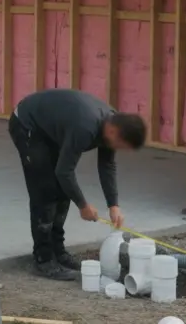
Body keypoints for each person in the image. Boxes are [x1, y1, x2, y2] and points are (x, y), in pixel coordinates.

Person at [8, 88, 147, 281]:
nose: (119, 150)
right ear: (114, 132)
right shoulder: (85, 127)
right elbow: (64, 172)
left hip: (50, 128)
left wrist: (113, 205)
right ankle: (43, 260)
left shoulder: (112, 123)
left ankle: (59, 251)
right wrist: (83, 205)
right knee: (45, 192)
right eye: (122, 146)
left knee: (63, 193)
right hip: (28, 124)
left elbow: (107, 165)